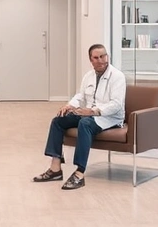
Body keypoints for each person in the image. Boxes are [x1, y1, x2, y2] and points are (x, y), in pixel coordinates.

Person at [33, 44, 126, 190]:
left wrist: (93, 111)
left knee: (85, 124)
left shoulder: (118, 76)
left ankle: (79, 173)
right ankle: (55, 169)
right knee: (58, 120)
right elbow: (81, 96)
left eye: (103, 56)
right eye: (96, 57)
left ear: (107, 56)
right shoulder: (88, 76)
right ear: (91, 60)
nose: (101, 60)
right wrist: (70, 105)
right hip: (87, 113)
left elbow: (116, 105)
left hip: (109, 118)